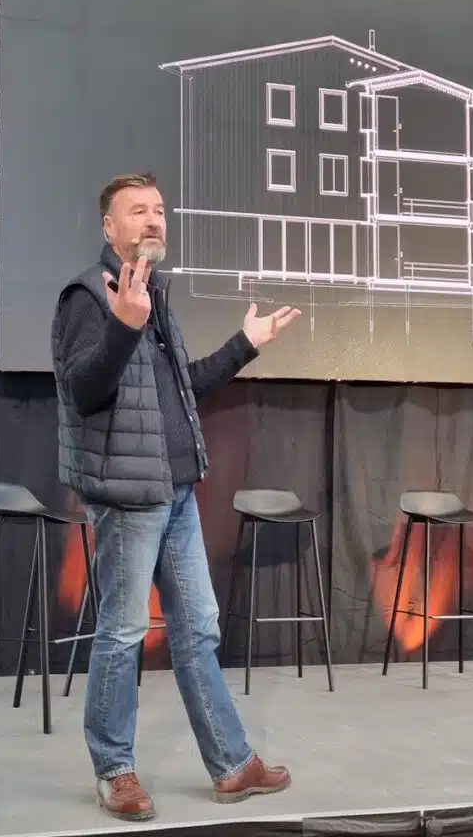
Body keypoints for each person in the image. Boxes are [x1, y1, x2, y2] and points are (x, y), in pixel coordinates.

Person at [51, 173, 301, 822]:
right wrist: (121, 329)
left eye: (159, 210)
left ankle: (230, 764)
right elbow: (82, 388)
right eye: (138, 211)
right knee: (124, 631)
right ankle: (115, 772)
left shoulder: (155, 296)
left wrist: (244, 345)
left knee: (197, 630)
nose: (153, 220)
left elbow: (180, 389)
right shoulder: (90, 295)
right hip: (130, 497)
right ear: (109, 228)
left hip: (175, 490)